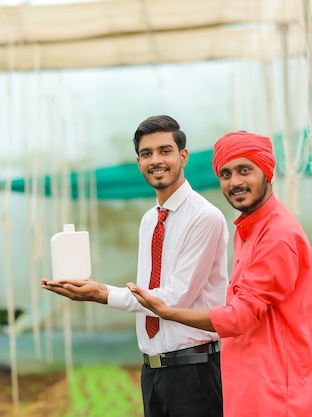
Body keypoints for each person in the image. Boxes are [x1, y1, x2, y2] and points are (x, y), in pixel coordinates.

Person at [41, 115, 229, 417]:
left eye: (165, 151)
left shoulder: (204, 218)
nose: (155, 160)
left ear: (183, 156)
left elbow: (174, 298)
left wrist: (102, 293)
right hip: (153, 370)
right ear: (139, 162)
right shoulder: (150, 220)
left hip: (194, 372)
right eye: (146, 153)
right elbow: (150, 291)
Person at [129, 131, 312, 417]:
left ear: (267, 172)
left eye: (245, 170)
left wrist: (167, 311)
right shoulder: (248, 229)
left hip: (277, 389)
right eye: (225, 174)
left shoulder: (277, 235)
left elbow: (238, 316)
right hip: (248, 383)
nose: (235, 182)